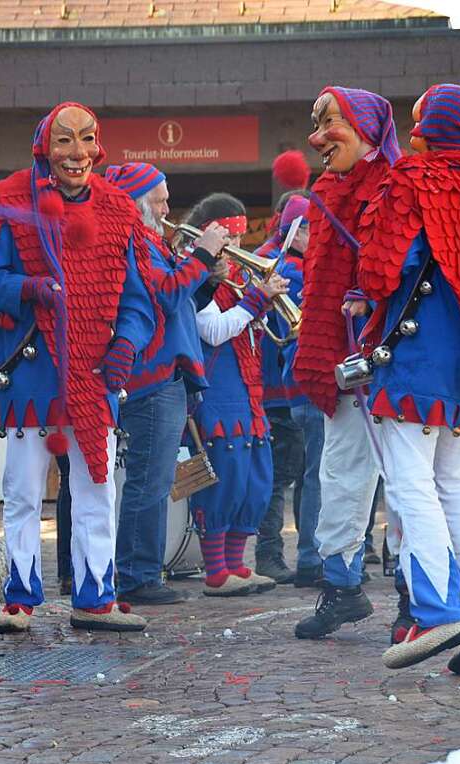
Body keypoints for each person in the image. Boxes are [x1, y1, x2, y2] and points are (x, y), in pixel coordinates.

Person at [0, 102, 158, 632]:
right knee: (23, 488)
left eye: (86, 139)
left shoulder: (119, 209)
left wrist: (127, 344)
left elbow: (140, 301)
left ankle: (96, 596)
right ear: (44, 148)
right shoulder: (7, 200)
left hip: (97, 376)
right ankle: (20, 596)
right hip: (33, 372)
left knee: (98, 489)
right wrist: (27, 288)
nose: (77, 153)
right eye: (65, 141)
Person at [357, 84, 460, 671]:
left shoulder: (410, 179)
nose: (416, 130)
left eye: (421, 119)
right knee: (457, 486)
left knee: (409, 485)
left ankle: (434, 610)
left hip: (410, 359)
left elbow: (381, 273)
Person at [292, 87, 402, 639]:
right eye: (315, 124)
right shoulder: (326, 190)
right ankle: (341, 587)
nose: (316, 139)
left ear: (365, 127)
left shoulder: (396, 187)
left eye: (329, 122)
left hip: (391, 359)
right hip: (342, 359)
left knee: (408, 480)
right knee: (340, 473)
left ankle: (415, 597)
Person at [103, 162, 222, 604]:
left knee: (153, 481)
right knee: (149, 482)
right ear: (137, 201)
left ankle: (142, 570)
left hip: (167, 376)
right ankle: (137, 575)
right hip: (152, 378)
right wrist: (203, 257)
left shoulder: (152, 242)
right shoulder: (134, 242)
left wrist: (206, 282)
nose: (168, 206)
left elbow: (179, 303)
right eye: (160, 197)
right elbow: (164, 295)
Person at [185, 193, 289, 597]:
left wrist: (261, 304)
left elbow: (243, 324)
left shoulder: (236, 279)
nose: (238, 250)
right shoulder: (199, 279)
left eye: (241, 239)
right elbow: (211, 330)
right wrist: (256, 301)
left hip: (248, 389)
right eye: (230, 239)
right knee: (225, 476)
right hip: (218, 391)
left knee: (254, 478)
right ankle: (215, 570)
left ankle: (236, 564)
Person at [255, 193, 311, 585]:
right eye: (311, 230)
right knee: (285, 476)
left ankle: (277, 553)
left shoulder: (274, 260)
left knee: (287, 475)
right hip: (282, 389)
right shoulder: (291, 268)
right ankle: (270, 554)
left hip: (275, 388)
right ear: (296, 230)